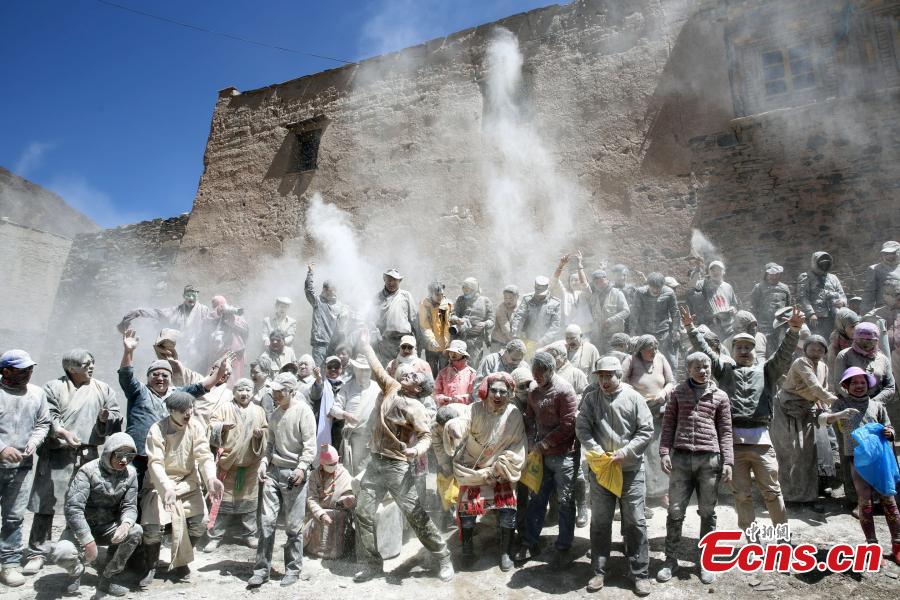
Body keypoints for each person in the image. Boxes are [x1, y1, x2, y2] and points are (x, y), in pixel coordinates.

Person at [682, 305, 803, 533]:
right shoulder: (724, 371)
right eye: (739, 347)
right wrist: (690, 328)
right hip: (733, 445)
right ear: (733, 350)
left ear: (755, 351)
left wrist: (794, 330)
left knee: (772, 491)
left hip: (762, 443)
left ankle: (782, 537)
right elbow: (706, 351)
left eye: (748, 347)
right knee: (742, 494)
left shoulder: (767, 371)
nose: (744, 351)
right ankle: (752, 537)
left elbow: (784, 353)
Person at [352, 332, 453, 583]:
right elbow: (377, 368)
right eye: (406, 373)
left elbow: (426, 437)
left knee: (415, 515)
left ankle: (443, 556)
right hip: (376, 463)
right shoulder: (391, 386)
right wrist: (366, 345)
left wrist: (415, 451)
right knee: (363, 513)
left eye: (414, 376)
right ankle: (374, 564)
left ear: (419, 388)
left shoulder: (417, 408)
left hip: (398, 467)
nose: (407, 373)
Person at [24, 349, 123, 576]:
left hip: (88, 455)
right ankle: (37, 552)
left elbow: (115, 415)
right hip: (57, 454)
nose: (91, 366)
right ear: (71, 368)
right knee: (45, 503)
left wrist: (105, 418)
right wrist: (62, 433)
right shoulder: (53, 387)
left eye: (92, 362)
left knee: (84, 503)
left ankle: (74, 547)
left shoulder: (103, 388)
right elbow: (48, 416)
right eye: (86, 363)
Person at [576, 356, 654, 595]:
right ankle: (599, 571)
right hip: (601, 470)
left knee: (635, 520)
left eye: (609, 375)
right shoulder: (590, 400)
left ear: (619, 375)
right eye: (600, 376)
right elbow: (582, 428)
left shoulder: (634, 398)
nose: (604, 380)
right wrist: (598, 453)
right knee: (600, 521)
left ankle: (640, 572)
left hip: (629, 469)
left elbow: (646, 430)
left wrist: (625, 452)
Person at [656, 352, 733, 585]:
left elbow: (726, 431)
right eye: (698, 367)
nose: (703, 370)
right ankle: (670, 560)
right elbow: (668, 424)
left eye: (706, 366)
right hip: (680, 459)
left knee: (708, 512)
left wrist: (728, 461)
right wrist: (663, 452)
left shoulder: (720, 396)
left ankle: (705, 561)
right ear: (688, 370)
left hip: (709, 460)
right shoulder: (678, 393)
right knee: (675, 511)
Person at [117, 329, 226, 489]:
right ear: (148, 377)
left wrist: (220, 372)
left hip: (165, 456)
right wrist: (128, 351)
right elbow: (126, 376)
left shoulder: (177, 394)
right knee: (131, 493)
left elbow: (202, 387)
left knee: (160, 493)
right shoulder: (138, 391)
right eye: (155, 375)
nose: (160, 378)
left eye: (164, 375)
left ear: (170, 378)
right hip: (137, 454)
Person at [139, 391, 224, 588]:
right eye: (183, 411)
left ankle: (181, 562)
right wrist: (166, 488)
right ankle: (151, 565)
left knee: (200, 521)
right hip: (159, 485)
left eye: (190, 409)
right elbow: (156, 463)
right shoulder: (157, 429)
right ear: (171, 411)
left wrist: (211, 479)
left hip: (187, 483)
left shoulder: (195, 427)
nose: (188, 414)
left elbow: (204, 457)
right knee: (152, 528)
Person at [820, 367, 899, 563]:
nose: (858, 386)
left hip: (879, 459)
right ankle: (871, 545)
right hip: (856, 459)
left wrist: (890, 433)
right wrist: (840, 415)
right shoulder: (841, 404)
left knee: (889, 500)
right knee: (865, 501)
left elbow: (888, 426)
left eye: (862, 382)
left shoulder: (877, 405)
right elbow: (823, 420)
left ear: (868, 385)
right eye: (854, 382)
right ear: (846, 385)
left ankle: (897, 544)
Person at [50, 432, 142, 597]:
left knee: (135, 531)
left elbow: (130, 505)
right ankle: (76, 570)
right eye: (120, 455)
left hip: (107, 527)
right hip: (81, 530)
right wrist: (87, 541)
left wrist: (126, 523)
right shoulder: (87, 471)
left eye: (129, 456)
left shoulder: (131, 474)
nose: (124, 460)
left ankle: (108, 576)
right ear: (109, 452)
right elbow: (73, 508)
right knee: (61, 552)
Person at [249, 372, 317, 587]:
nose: (276, 395)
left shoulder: (303, 412)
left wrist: (302, 467)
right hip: (274, 472)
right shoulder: (276, 414)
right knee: (267, 522)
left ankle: (293, 569)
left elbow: (310, 445)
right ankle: (261, 570)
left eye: (280, 391)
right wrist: (263, 463)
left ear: (292, 391)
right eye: (274, 391)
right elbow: (270, 445)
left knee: (293, 526)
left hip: (294, 474)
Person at [454, 372, 525, 571]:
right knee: (467, 513)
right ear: (487, 391)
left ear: (509, 394)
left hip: (501, 471)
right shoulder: (474, 409)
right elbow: (461, 423)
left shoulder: (514, 413)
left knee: (507, 512)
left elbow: (518, 446)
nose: (498, 395)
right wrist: (454, 428)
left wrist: (500, 467)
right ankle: (467, 549)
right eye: (494, 390)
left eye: (503, 391)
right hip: (474, 471)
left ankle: (505, 552)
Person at [516, 352, 578, 568]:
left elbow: (569, 425)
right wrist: (534, 440)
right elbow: (531, 419)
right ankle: (530, 541)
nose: (537, 378)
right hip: (541, 456)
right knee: (537, 499)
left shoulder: (564, 391)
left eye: (541, 374)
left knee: (565, 501)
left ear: (552, 371)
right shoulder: (533, 392)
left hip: (564, 455)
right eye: (535, 374)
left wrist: (545, 443)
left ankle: (563, 546)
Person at [0, 350, 51, 588]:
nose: (29, 374)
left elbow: (43, 423)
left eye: (30, 369)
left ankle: (8, 564)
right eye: (22, 370)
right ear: (6, 371)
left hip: (22, 467)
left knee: (14, 517)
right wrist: (1, 448)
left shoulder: (37, 394)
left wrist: (34, 442)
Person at [833, 321, 896, 507]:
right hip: (849, 409)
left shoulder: (882, 358)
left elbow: (890, 386)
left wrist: (873, 403)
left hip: (875, 409)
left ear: (877, 339)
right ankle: (855, 500)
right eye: (862, 339)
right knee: (852, 453)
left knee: (880, 452)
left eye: (871, 340)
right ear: (855, 338)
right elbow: (838, 384)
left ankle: (880, 497)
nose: (866, 344)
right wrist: (856, 400)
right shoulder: (845, 355)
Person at [771, 335, 836, 511]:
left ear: (825, 351)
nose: (816, 352)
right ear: (805, 349)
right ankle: (786, 496)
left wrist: (826, 409)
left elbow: (821, 390)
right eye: (812, 349)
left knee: (808, 454)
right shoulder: (801, 362)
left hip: (807, 409)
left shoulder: (823, 366)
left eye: (820, 349)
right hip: (785, 409)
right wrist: (835, 402)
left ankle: (808, 497)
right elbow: (815, 387)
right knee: (788, 452)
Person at [205, 378, 268, 552]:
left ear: (253, 392)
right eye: (241, 389)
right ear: (234, 392)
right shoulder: (225, 408)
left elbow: (266, 430)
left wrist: (260, 435)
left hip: (250, 465)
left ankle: (249, 535)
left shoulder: (259, 411)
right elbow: (211, 425)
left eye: (248, 390)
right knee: (222, 503)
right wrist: (221, 427)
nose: (244, 393)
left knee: (249, 504)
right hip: (228, 465)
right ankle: (215, 536)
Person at [622, 335, 675, 513]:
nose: (653, 352)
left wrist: (664, 393)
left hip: (659, 410)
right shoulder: (630, 360)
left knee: (658, 451)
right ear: (640, 349)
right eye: (649, 349)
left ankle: (661, 493)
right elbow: (620, 382)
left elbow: (671, 382)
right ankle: (640, 494)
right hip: (637, 412)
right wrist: (636, 396)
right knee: (640, 453)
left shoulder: (660, 358)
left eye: (655, 348)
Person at [117, 285, 215, 370]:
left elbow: (211, 324)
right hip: (181, 351)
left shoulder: (203, 310)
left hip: (198, 351)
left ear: (197, 296)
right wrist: (136, 313)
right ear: (184, 296)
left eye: (194, 295)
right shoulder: (176, 311)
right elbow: (157, 313)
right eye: (188, 295)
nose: (191, 298)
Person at [331, 355, 379, 476]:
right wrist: (345, 414)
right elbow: (334, 408)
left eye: (366, 370)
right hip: (352, 436)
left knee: (369, 470)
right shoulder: (347, 387)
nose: (363, 373)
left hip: (372, 436)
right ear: (355, 370)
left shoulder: (377, 388)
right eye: (360, 369)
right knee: (352, 470)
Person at [305, 444, 355, 559]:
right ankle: (316, 551)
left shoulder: (343, 473)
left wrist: (347, 500)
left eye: (334, 463)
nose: (333, 466)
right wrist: (321, 514)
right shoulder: (314, 475)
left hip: (339, 512)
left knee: (340, 520)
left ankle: (338, 552)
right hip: (319, 513)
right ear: (322, 464)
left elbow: (350, 493)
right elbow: (311, 499)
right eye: (330, 465)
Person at [631, 272, 679, 368]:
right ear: (648, 285)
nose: (656, 290)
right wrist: (632, 330)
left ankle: (672, 381)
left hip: (663, 332)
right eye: (653, 287)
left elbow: (675, 312)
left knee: (669, 360)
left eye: (658, 287)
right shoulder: (640, 293)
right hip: (644, 331)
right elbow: (635, 312)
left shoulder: (669, 293)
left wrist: (675, 330)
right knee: (642, 359)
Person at [306, 264, 349, 367]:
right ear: (324, 290)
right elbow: (308, 290)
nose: (333, 292)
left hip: (334, 346)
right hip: (320, 344)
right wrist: (310, 274)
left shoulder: (341, 306)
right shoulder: (318, 302)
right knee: (320, 373)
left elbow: (343, 328)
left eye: (334, 289)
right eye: (330, 289)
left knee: (333, 372)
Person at [373, 268, 419, 364]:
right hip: (386, 342)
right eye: (389, 280)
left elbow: (414, 319)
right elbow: (372, 319)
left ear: (399, 281)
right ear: (384, 279)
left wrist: (418, 340)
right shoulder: (377, 298)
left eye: (395, 280)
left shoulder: (406, 296)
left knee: (406, 369)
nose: (392, 283)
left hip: (404, 340)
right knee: (388, 369)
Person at [797, 251, 846, 338]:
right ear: (815, 263)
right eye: (822, 263)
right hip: (815, 318)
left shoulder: (833, 278)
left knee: (832, 341)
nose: (824, 265)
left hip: (834, 316)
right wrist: (811, 313)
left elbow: (841, 294)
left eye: (826, 263)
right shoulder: (805, 277)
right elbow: (803, 297)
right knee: (816, 340)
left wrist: (842, 302)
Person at [511, 277, 562, 355]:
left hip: (546, 343)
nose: (540, 296)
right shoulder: (527, 299)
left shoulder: (555, 303)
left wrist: (542, 341)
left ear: (548, 288)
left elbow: (555, 326)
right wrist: (515, 335)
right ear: (535, 288)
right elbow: (519, 317)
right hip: (527, 340)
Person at [750, 263, 792, 356]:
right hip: (765, 324)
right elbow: (753, 306)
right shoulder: (759, 287)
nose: (774, 276)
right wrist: (755, 323)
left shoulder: (785, 288)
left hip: (781, 323)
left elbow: (788, 306)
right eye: (772, 274)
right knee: (767, 348)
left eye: (777, 274)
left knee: (782, 347)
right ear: (767, 274)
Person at [452, 277, 495, 367]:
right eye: (463, 288)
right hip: (460, 339)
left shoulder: (485, 301)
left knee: (473, 366)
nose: (465, 291)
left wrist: (485, 324)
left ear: (474, 289)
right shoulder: (460, 300)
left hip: (476, 341)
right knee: (456, 364)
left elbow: (491, 320)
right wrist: (457, 320)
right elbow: (452, 315)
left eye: (467, 289)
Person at [686, 261, 740, 331]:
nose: (715, 272)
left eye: (718, 270)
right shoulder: (704, 284)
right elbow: (692, 285)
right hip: (713, 326)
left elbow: (734, 304)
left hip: (729, 325)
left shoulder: (728, 287)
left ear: (724, 272)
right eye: (713, 270)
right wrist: (697, 269)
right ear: (709, 273)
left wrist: (733, 308)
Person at [586, 269, 630, 352]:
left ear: (607, 280)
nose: (600, 284)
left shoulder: (617, 293)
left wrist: (610, 320)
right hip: (597, 337)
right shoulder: (593, 296)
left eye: (602, 281)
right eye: (596, 282)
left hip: (614, 336)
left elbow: (626, 311)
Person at [209, 295, 249, 381]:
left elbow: (245, 329)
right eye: (217, 306)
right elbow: (207, 322)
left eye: (222, 305)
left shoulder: (234, 316)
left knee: (234, 378)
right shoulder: (212, 315)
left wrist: (231, 319)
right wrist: (218, 314)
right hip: (217, 353)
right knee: (216, 377)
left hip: (234, 353)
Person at [419, 281, 453, 375]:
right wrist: (430, 339)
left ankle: (443, 389)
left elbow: (449, 324)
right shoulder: (424, 305)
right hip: (431, 346)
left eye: (442, 294)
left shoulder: (448, 304)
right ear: (431, 293)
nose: (440, 297)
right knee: (431, 371)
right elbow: (424, 325)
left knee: (444, 372)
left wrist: (448, 340)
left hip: (445, 345)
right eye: (437, 295)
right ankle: (432, 388)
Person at [550, 252, 591, 328]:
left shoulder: (586, 293)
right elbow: (555, 280)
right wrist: (561, 265)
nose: (573, 282)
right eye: (571, 280)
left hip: (585, 329)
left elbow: (584, 284)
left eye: (576, 280)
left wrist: (579, 265)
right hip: (569, 328)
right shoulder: (565, 294)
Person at [434, 340, 477, 407]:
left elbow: (474, 395)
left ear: (463, 354)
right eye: (451, 352)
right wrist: (443, 398)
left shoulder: (471, 373)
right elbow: (437, 393)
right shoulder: (443, 373)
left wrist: (458, 399)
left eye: (456, 352)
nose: (453, 354)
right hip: (446, 409)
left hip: (464, 410)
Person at [862, 240, 900, 314]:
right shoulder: (875, 269)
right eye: (886, 254)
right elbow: (869, 293)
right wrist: (865, 313)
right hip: (884, 310)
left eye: (893, 253)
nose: (889, 256)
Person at [827, 308, 860, 378]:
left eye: (857, 325)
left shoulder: (862, 339)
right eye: (852, 326)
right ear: (842, 327)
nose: (855, 330)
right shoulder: (835, 346)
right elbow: (834, 373)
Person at [491, 285, 520, 352]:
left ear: (517, 297)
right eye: (505, 298)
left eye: (511, 298)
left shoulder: (521, 306)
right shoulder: (501, 308)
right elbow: (505, 327)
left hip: (513, 341)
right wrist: (516, 342)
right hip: (499, 342)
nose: (508, 301)